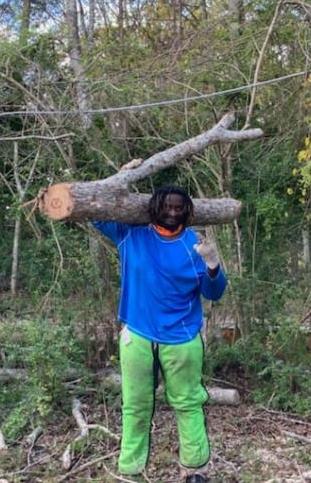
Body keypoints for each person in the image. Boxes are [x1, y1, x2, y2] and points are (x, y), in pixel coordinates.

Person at [93, 185, 227, 483]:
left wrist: (213, 263)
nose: (173, 212)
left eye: (179, 207)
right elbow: (96, 212)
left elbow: (214, 292)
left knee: (188, 403)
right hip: (137, 337)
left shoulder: (194, 245)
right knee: (135, 406)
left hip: (181, 340)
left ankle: (195, 471)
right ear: (154, 207)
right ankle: (131, 471)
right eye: (167, 206)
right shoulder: (131, 234)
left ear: (188, 211)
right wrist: (122, 181)